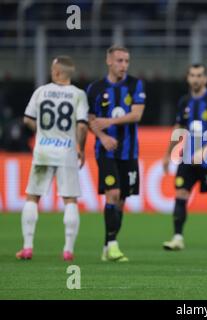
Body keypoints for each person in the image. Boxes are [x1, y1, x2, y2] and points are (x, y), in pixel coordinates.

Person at [16, 56, 88, 261]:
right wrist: (80, 148)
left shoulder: (41, 91)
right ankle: (68, 250)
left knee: (32, 197)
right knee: (70, 200)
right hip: (66, 152)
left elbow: (27, 119)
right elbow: (82, 125)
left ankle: (28, 247)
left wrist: (41, 132)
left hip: (43, 151)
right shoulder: (78, 94)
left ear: (56, 72)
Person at [162, 63, 207, 251]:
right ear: (188, 78)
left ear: (205, 79)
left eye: (199, 75)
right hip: (188, 159)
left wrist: (205, 150)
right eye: (192, 75)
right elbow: (179, 129)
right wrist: (168, 154)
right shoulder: (184, 101)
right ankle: (177, 237)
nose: (196, 78)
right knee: (180, 194)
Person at [87, 46, 146, 262]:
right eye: (119, 60)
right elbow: (90, 120)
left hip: (129, 152)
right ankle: (112, 245)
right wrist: (102, 137)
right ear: (109, 61)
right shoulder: (95, 88)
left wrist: (109, 122)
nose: (124, 65)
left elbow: (136, 115)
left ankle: (107, 245)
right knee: (112, 194)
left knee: (121, 201)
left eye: (126, 61)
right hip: (105, 152)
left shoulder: (135, 84)